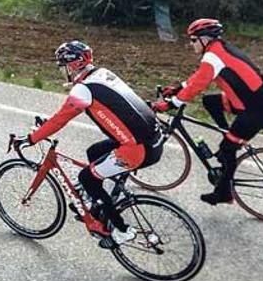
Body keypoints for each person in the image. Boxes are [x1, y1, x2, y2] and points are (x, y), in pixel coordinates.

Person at [19, 41, 164, 247]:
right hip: (153, 140)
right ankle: (97, 200)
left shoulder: (83, 90)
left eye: (63, 67)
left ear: (73, 65)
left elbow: (60, 119)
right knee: (94, 151)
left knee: (86, 177)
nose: (63, 71)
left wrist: (31, 139)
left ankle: (120, 230)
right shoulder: (103, 74)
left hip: (136, 150)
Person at [153, 18, 263, 205]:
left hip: (257, 109)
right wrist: (178, 88)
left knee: (227, 151)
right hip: (253, 100)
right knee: (210, 101)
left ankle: (224, 194)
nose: (191, 44)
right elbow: (199, 78)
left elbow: (198, 85)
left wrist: (172, 104)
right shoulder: (217, 50)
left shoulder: (213, 57)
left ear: (205, 39)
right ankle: (228, 133)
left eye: (194, 40)